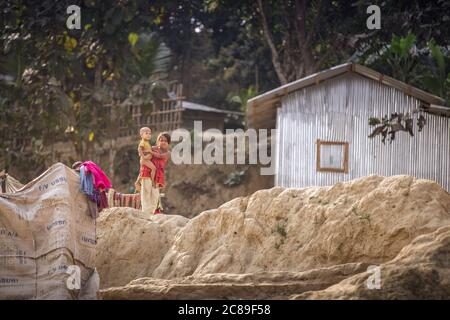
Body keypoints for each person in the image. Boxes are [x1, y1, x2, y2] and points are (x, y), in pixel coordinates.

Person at [140, 132, 171, 215]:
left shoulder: (167, 153)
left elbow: (160, 156)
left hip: (157, 177)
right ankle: (145, 213)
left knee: (155, 195)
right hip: (147, 174)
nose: (163, 142)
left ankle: (152, 213)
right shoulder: (152, 148)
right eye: (161, 140)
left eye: (165, 141)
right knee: (146, 194)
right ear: (157, 142)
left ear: (168, 143)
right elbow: (143, 159)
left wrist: (151, 152)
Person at [135, 127, 157, 191]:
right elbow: (139, 149)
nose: (148, 135)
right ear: (141, 135)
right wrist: (144, 157)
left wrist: (149, 151)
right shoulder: (143, 142)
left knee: (141, 172)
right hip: (145, 160)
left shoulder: (147, 142)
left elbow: (145, 150)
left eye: (150, 134)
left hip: (145, 160)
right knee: (154, 168)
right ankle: (152, 181)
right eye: (146, 133)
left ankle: (137, 182)